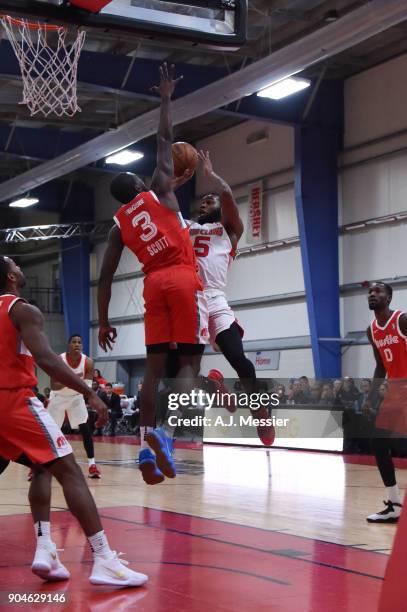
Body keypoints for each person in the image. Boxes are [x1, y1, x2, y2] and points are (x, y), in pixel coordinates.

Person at [0, 255, 147, 587]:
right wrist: (90, 392)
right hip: (14, 400)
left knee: (40, 466)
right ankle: (105, 559)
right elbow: (47, 359)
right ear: (11, 277)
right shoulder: (22, 309)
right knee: (70, 472)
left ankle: (46, 547)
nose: (22, 270)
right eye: (17, 266)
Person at [97, 63, 208, 485]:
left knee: (153, 368)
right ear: (139, 183)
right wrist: (164, 97)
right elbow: (164, 138)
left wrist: (105, 320)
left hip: (153, 284)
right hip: (180, 276)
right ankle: (168, 433)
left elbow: (105, 278)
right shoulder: (160, 187)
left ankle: (144, 445)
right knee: (190, 366)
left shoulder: (117, 226)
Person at [186, 150, 274, 446]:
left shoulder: (230, 230)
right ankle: (216, 387)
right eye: (202, 201)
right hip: (189, 301)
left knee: (240, 360)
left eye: (209, 201)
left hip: (215, 300)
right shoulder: (187, 227)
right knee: (185, 372)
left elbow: (225, 194)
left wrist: (213, 179)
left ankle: (259, 409)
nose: (204, 204)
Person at [364, 282, 406, 523]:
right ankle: (395, 505)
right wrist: (370, 398)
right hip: (394, 392)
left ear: (388, 298)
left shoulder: (401, 320)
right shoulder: (372, 330)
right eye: (370, 292)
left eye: (378, 292)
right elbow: (380, 365)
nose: (372, 294)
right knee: (378, 443)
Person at [47, 335, 101, 479]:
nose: (77, 344)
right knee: (49, 432)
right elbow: (54, 386)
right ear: (69, 345)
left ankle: (92, 465)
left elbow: (87, 388)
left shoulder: (88, 362)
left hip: (76, 398)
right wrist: (72, 379)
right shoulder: (59, 360)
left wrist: (73, 382)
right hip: (58, 397)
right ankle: (38, 465)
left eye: (79, 342)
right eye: (74, 342)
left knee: (85, 429)